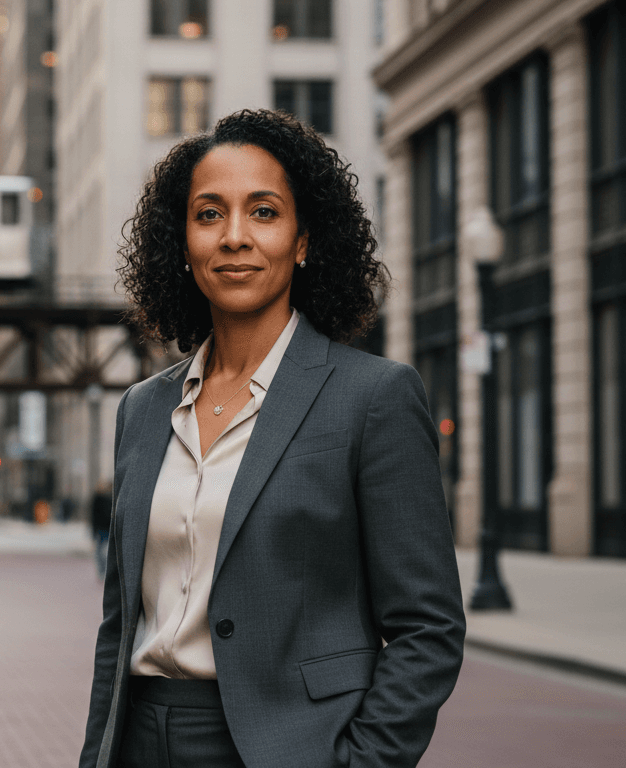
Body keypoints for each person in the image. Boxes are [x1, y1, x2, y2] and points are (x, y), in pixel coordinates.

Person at [79, 109, 466, 768]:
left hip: (287, 748)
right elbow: (121, 625)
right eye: (208, 215)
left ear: (305, 240)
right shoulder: (142, 410)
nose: (234, 237)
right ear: (182, 243)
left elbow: (428, 628)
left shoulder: (373, 398)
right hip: (140, 742)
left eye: (263, 212)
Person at [90, 480, 112, 580]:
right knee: (101, 551)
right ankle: (102, 570)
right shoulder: (99, 499)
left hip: (106, 528)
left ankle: (105, 570)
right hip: (102, 528)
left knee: (103, 551)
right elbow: (94, 516)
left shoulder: (110, 498)